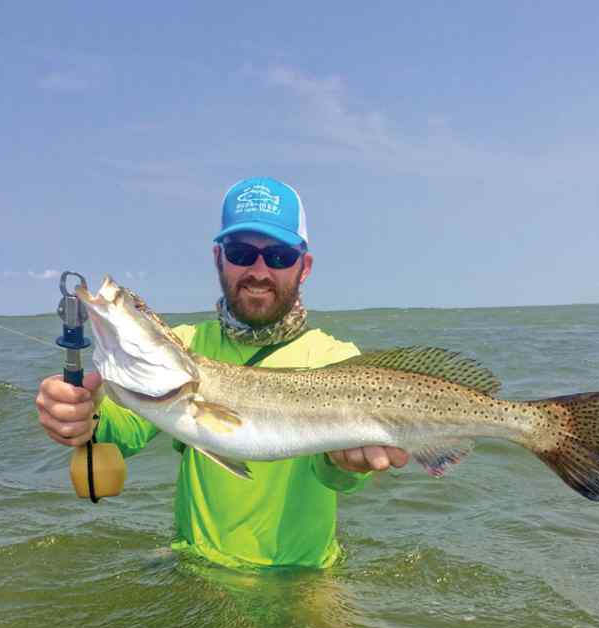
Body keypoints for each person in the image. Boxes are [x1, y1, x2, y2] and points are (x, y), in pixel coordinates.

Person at [36, 177, 408, 568]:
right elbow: (118, 434)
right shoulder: (187, 345)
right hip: (198, 570)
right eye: (241, 252)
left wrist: (346, 465)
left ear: (305, 267)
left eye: (279, 256)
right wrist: (79, 414)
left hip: (303, 578)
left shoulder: (340, 361)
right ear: (218, 258)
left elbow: (339, 479)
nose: (259, 270)